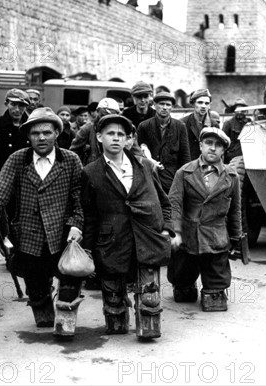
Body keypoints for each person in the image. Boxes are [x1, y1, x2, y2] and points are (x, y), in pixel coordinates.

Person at [0, 108, 85, 336]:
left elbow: (79, 199)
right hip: (30, 236)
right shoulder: (18, 159)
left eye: (47, 132)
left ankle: (66, 318)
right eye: (35, 133)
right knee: (37, 291)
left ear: (57, 133)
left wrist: (76, 224)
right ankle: (43, 306)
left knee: (69, 282)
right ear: (28, 136)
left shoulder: (71, 160)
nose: (41, 138)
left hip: (63, 236)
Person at [81, 114, 173, 338]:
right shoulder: (90, 172)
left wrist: (166, 228)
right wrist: (88, 248)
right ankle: (117, 320)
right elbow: (89, 215)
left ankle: (148, 326)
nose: (116, 138)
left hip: (147, 238)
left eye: (121, 134)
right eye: (110, 133)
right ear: (99, 137)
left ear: (129, 139)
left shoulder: (144, 166)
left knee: (150, 297)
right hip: (111, 243)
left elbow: (164, 201)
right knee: (113, 301)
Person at [167, 127, 242, 312]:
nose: (212, 148)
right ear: (200, 145)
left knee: (216, 273)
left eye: (218, 145)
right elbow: (174, 204)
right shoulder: (184, 173)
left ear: (224, 150)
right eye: (208, 143)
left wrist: (236, 237)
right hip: (188, 235)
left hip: (216, 235)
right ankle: (184, 286)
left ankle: (214, 291)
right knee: (182, 272)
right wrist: (174, 232)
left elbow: (235, 210)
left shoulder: (232, 176)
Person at [137, 91, 191, 193]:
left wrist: (184, 179)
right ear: (154, 106)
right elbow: (138, 152)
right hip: (150, 178)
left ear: (172, 107)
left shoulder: (180, 126)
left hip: (172, 179)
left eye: (168, 105)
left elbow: (185, 155)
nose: (165, 107)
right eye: (161, 104)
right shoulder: (144, 126)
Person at [70, 98, 121, 166]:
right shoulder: (87, 129)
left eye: (110, 116)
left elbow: (135, 152)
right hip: (92, 169)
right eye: (103, 115)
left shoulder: (123, 129)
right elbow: (74, 152)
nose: (106, 118)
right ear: (97, 111)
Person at [181, 89, 220, 160]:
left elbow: (217, 148)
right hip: (188, 164)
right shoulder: (183, 123)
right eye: (200, 102)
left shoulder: (214, 125)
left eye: (206, 103)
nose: (203, 106)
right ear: (193, 104)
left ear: (209, 106)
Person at [222, 98, 250, 164]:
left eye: (242, 110)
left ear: (245, 110)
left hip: (246, 155)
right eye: (237, 110)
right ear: (235, 111)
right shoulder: (228, 123)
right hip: (232, 157)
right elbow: (223, 141)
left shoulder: (249, 122)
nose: (239, 112)